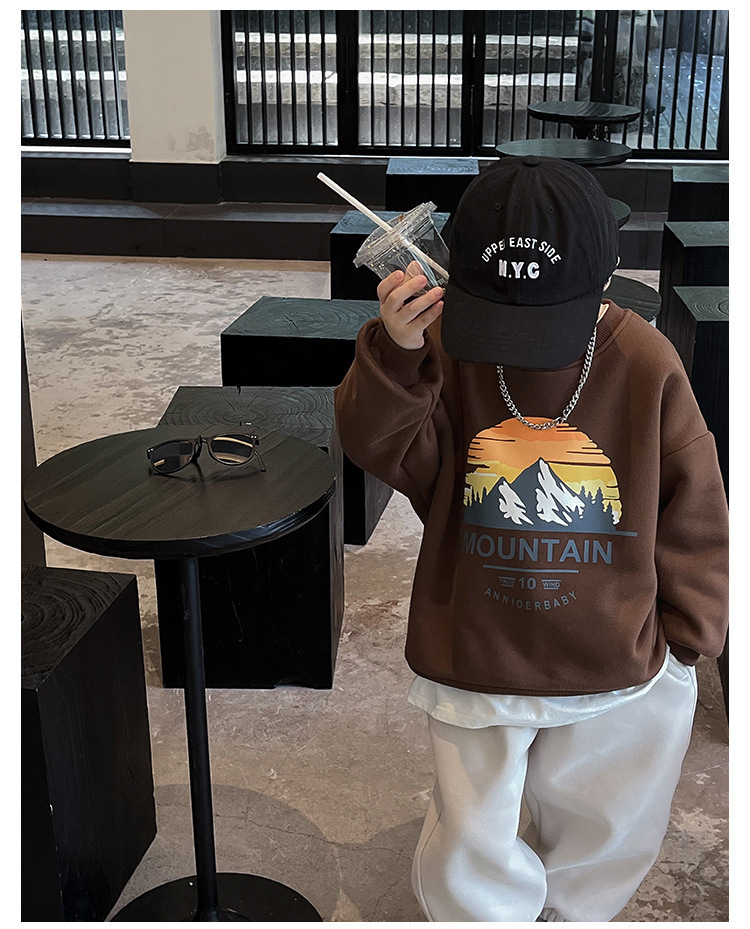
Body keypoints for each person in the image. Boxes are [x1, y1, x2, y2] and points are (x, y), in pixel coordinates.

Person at [333, 155, 729, 922]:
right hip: (475, 642)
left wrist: (691, 630)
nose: (516, 344)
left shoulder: (644, 361)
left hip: (616, 651)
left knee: (609, 823)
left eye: (544, 321)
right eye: (497, 315)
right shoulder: (448, 347)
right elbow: (381, 448)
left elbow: (695, 499)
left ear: (607, 276)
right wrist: (396, 355)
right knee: (470, 837)